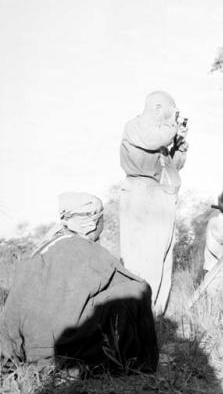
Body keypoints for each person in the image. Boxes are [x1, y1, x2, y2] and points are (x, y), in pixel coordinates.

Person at [0, 192, 158, 373]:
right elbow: (133, 284)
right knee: (136, 291)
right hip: (66, 353)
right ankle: (138, 363)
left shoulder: (43, 249)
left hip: (24, 350)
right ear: (96, 223)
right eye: (102, 219)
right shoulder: (89, 251)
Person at [119, 91, 188, 317]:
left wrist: (181, 146)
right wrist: (173, 128)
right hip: (140, 194)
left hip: (160, 195)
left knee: (161, 258)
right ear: (158, 108)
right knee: (141, 259)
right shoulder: (136, 126)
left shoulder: (163, 136)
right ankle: (137, 315)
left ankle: (154, 316)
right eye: (171, 110)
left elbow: (173, 167)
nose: (173, 116)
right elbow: (155, 140)